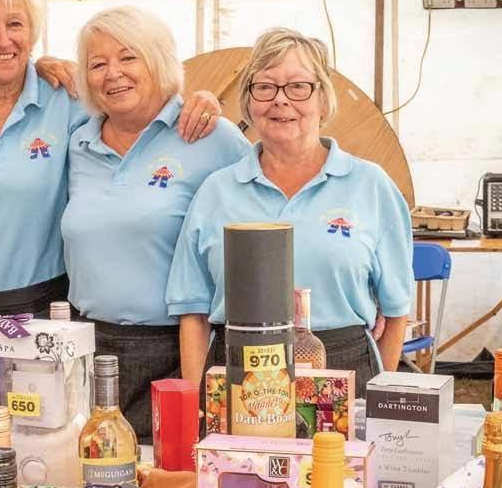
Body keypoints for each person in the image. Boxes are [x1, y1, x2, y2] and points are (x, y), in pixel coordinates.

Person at [0, 0, 222, 320]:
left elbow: (140, 103)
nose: (3, 39)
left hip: (47, 312)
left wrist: (200, 99)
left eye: (15, 24)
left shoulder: (68, 100)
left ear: (32, 34)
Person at [167, 27, 414, 390]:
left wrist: (373, 399)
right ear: (248, 102)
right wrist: (196, 405)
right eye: (265, 87)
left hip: (344, 369)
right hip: (237, 370)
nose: (280, 100)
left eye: (298, 87)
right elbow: (193, 312)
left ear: (323, 99)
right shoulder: (216, 192)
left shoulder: (371, 185)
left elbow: (396, 312)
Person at [61, 6, 249, 441]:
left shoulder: (212, 137)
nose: (113, 73)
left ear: (160, 61)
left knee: (167, 472)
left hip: (179, 349)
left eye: (129, 57)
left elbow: (264, 226)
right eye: (97, 64)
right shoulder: (78, 143)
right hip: (88, 350)